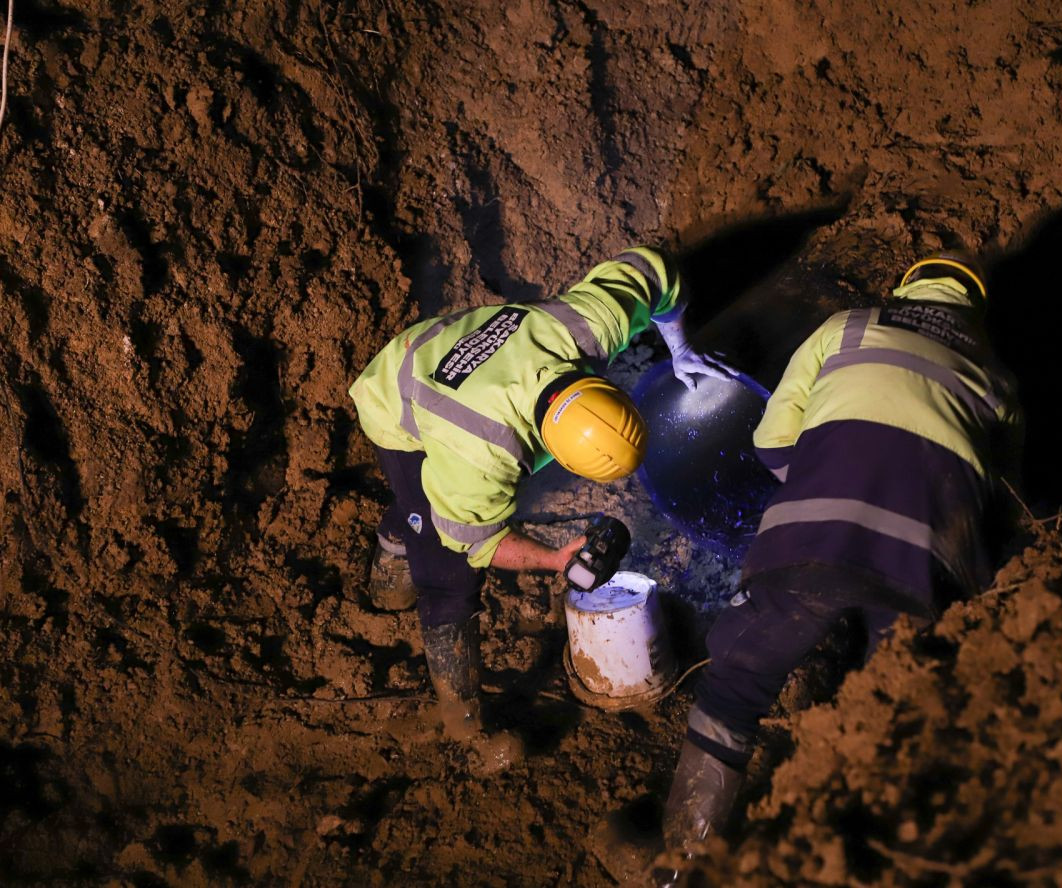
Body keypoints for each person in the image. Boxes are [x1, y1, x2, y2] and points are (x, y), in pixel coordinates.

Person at [656, 251, 1023, 870]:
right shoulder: (999, 382)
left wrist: (821, 485)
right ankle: (878, 861)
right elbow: (1005, 508)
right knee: (898, 711)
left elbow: (771, 441)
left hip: (808, 548)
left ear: (907, 289)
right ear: (973, 310)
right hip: (926, 572)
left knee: (734, 690)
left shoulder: (847, 327)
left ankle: (681, 861)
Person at [348, 245, 728, 770]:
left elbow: (652, 270)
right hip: (399, 398)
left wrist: (681, 348)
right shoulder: (482, 447)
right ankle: (462, 729)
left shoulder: (586, 328)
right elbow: (476, 542)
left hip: (453, 352)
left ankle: (398, 539)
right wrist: (554, 560)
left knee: (430, 503)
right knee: (447, 570)